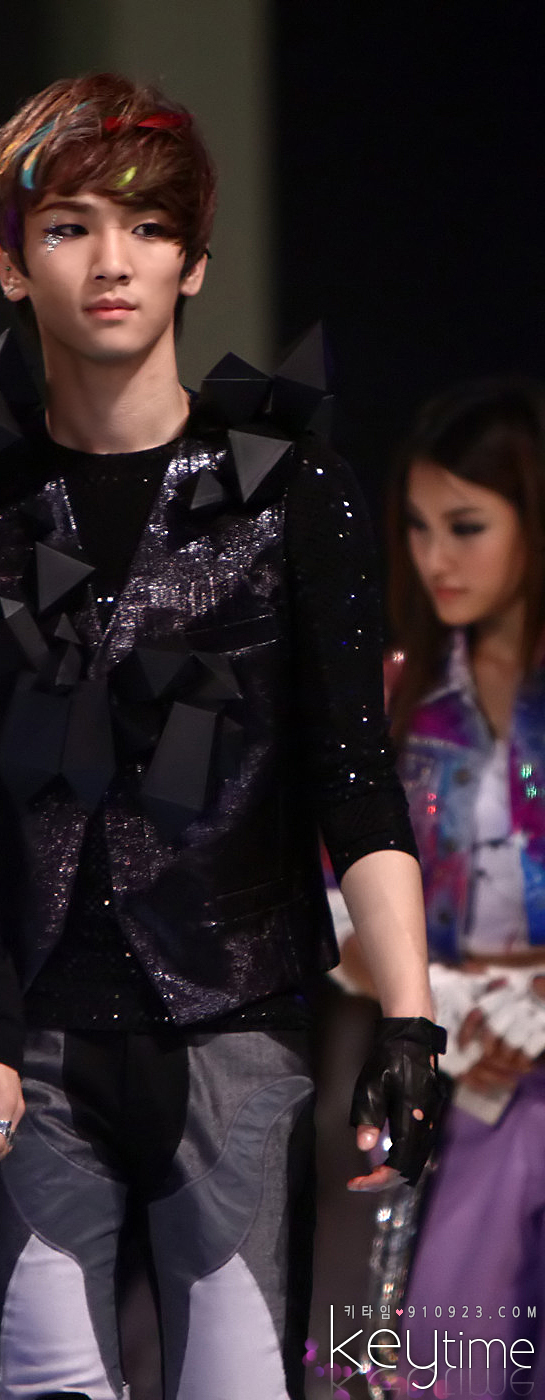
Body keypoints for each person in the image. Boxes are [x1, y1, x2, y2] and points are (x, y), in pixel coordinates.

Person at [0, 73, 443, 1400]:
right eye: (69, 226)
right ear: (11, 261)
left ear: (194, 261)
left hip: (240, 1029)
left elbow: (352, 775)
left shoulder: (291, 493)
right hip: (20, 1041)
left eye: (148, 227)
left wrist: (411, 1024)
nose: (112, 261)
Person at [347, 380, 545, 1396]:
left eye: (465, 526)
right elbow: (343, 907)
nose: (435, 558)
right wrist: (443, 999)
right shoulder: (399, 701)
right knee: (448, 1357)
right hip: (468, 1078)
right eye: (418, 528)